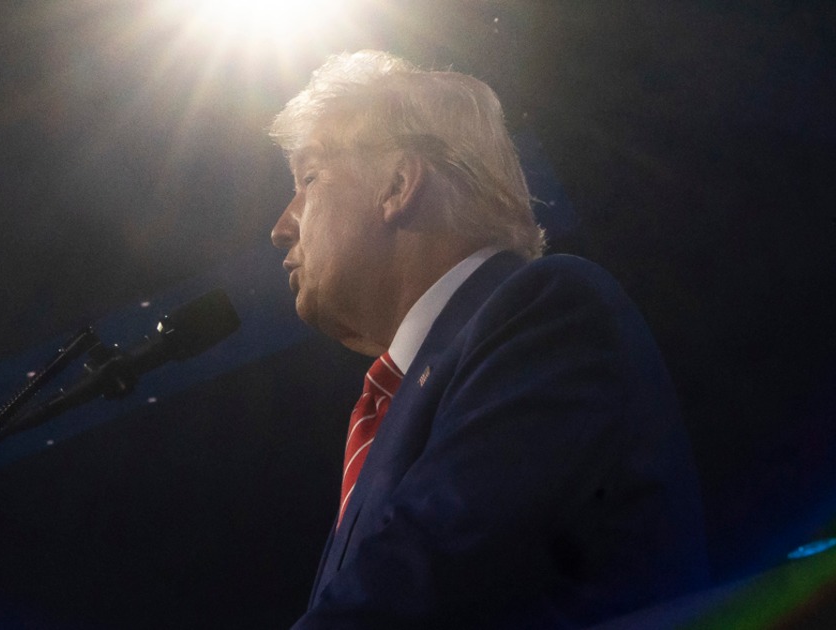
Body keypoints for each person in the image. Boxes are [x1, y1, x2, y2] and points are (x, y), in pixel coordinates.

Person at [269, 50, 708, 629]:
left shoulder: (549, 308)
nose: (281, 227)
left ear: (397, 185)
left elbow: (431, 574)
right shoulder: (393, 402)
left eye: (308, 179)